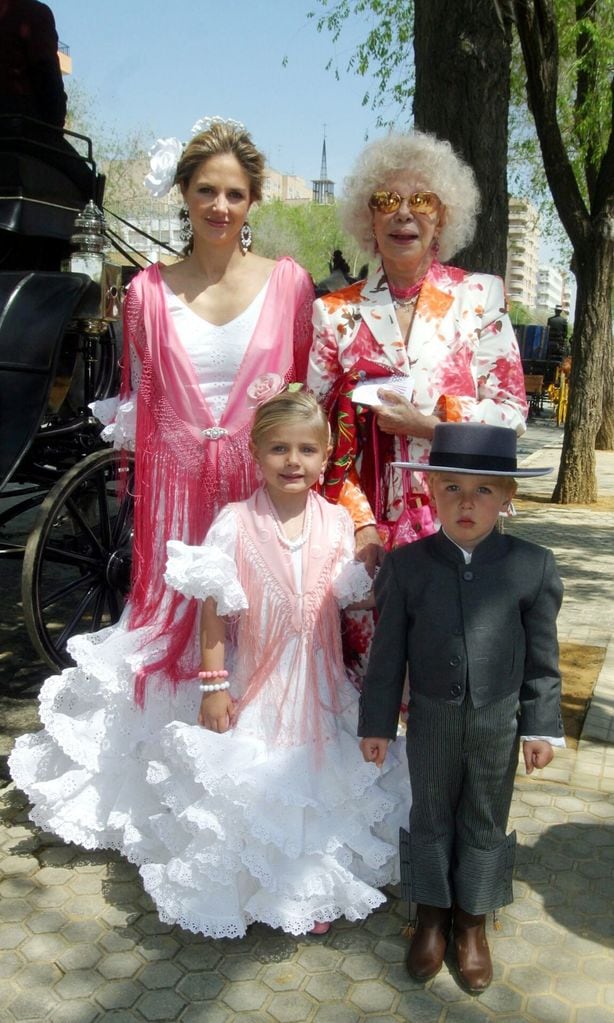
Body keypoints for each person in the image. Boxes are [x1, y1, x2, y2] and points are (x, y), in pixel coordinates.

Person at [10, 117, 315, 867]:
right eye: (206, 189)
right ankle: (165, 794)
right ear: (184, 194)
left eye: (234, 193)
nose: (220, 205)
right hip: (177, 493)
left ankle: (257, 800)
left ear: (253, 202)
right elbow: (144, 395)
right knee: (171, 630)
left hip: (256, 494)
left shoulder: (290, 284)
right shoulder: (146, 293)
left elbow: (302, 397)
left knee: (258, 631)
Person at [135, 387, 409, 937]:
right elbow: (215, 614)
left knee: (322, 789)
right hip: (257, 690)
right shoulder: (234, 524)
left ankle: (315, 888)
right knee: (259, 792)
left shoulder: (336, 525)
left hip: (323, 692)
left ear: (326, 455)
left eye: (307, 450)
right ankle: (256, 887)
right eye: (279, 449)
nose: (293, 461)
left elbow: (352, 599)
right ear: (256, 455)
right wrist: (214, 686)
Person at [308, 131, 528, 677]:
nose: (403, 215)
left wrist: (432, 423)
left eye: (420, 201)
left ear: (442, 215)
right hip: (364, 535)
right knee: (370, 683)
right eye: (387, 201)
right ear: (368, 216)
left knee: (449, 677)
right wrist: (360, 524)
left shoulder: (479, 297)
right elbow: (317, 437)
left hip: (460, 521)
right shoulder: (334, 313)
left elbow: (511, 411)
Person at [359, 422, 564, 993]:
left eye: (483, 490)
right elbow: (387, 655)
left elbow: (544, 660)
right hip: (430, 717)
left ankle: (472, 922)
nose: (466, 503)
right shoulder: (408, 565)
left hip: (499, 720)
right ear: (429, 491)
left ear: (508, 496)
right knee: (430, 813)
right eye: (451, 488)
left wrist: (540, 728)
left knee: (483, 818)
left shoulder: (533, 565)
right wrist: (377, 723)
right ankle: (428, 917)